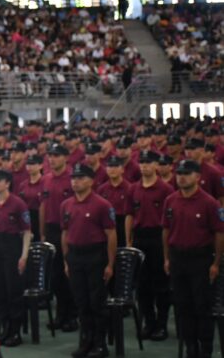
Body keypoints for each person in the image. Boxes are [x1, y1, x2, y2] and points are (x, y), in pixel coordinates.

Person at [163, 159, 224, 358]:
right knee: (183, 305)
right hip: (178, 258)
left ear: (197, 177)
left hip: (200, 259)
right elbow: (165, 230)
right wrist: (167, 258)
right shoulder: (170, 200)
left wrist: (215, 263)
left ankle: (204, 348)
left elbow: (219, 233)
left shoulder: (209, 203)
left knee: (202, 306)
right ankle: (191, 347)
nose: (181, 177)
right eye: (179, 173)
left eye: (187, 174)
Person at [61, 164, 117, 358]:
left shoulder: (102, 204)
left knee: (97, 302)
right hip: (75, 256)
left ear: (91, 181)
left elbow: (111, 235)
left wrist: (110, 264)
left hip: (95, 256)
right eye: (73, 178)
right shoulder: (66, 204)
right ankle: (86, 341)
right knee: (81, 302)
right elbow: (65, 233)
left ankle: (100, 344)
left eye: (81, 177)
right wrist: (66, 260)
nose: (75, 181)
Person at [126, 150, 174, 340]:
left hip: (158, 237)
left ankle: (162, 324)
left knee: (161, 284)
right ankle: (149, 322)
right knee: (142, 285)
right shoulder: (134, 189)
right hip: (140, 238)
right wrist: (129, 240)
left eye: (149, 162)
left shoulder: (166, 190)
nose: (145, 166)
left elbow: (170, 221)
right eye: (142, 162)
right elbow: (129, 215)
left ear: (156, 165)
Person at [0, 169, 31, 346]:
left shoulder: (18, 204)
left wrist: (24, 256)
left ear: (7, 183)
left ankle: (15, 331)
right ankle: (5, 327)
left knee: (14, 290)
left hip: (13, 246)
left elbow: (27, 231)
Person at [41, 143, 78, 332]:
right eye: (50, 155)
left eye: (56, 155)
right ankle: (60, 314)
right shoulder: (46, 178)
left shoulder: (73, 178)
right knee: (55, 276)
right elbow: (43, 206)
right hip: (51, 229)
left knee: (68, 274)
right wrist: (42, 232)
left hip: (69, 231)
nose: (52, 158)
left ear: (66, 157)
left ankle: (72, 315)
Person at [97, 156, 131, 247]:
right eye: (110, 166)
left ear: (122, 169)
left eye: (116, 166)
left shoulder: (130, 188)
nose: (112, 169)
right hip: (106, 225)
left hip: (122, 224)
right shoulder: (101, 189)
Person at [18, 153, 44, 240]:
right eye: (28, 164)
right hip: (27, 217)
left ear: (40, 165)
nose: (29, 167)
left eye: (33, 164)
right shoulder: (23, 185)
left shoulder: (45, 183)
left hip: (40, 217)